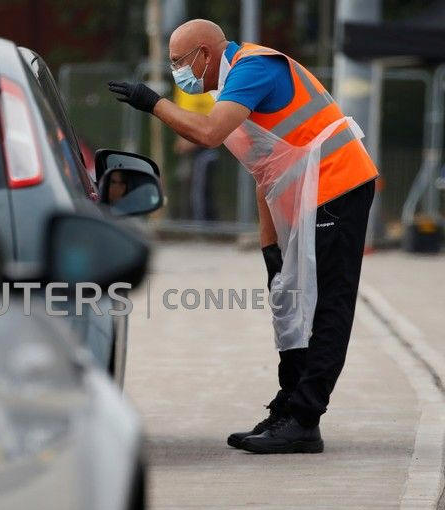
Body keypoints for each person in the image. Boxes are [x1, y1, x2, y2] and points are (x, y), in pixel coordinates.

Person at [109, 19, 378, 454]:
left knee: (328, 305)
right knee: (289, 300)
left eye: (178, 61)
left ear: (205, 54)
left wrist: (152, 102)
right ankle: (289, 407)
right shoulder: (232, 84)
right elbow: (265, 170)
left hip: (337, 186)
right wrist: (270, 247)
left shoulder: (254, 68)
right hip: (304, 197)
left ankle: (305, 419)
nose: (177, 71)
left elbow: (208, 133)